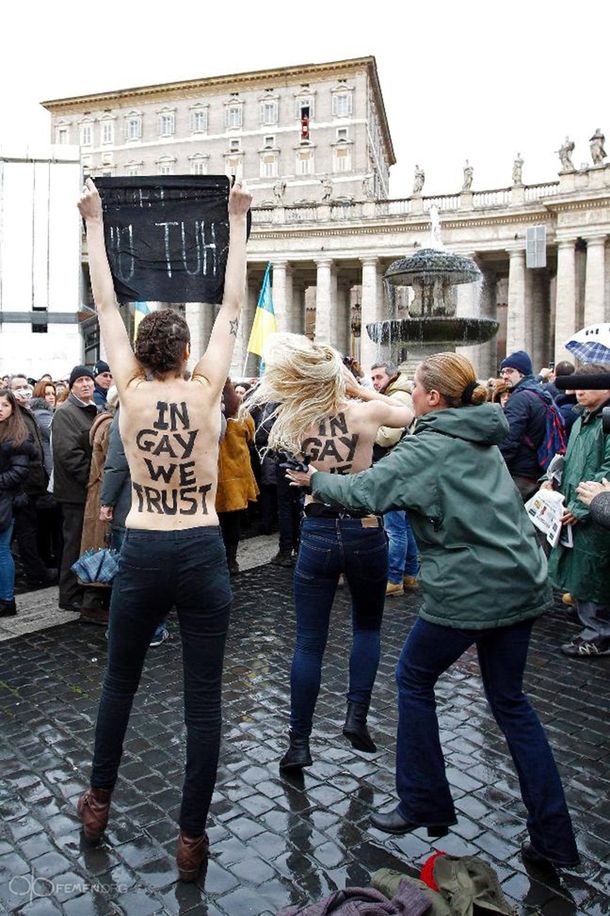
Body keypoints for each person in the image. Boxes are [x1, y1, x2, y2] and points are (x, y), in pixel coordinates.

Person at [286, 352, 579, 871]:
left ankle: (424, 798)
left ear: (433, 397)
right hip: (521, 578)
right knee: (512, 706)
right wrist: (361, 392)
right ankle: (554, 838)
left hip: (471, 588)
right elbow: (399, 430)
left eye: (415, 387)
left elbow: (366, 491)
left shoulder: (428, 448)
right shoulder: (476, 432)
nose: (410, 394)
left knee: (414, 679)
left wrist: (315, 482)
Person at [75, 176, 251, 883]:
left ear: (141, 355)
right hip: (202, 545)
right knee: (203, 701)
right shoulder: (208, 387)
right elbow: (233, 304)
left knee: (119, 683)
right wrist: (238, 221)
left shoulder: (128, 390)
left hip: (144, 543)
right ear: (185, 352)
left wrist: (94, 222)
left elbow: (107, 301)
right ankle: (190, 840)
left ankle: (97, 803)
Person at [243, 333, 414, 772]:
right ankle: (355, 716)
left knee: (309, 642)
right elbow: (408, 411)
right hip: (365, 530)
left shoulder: (296, 420)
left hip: (317, 532)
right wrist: (359, 387)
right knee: (367, 630)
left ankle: (298, 743)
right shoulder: (366, 410)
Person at [545, 364, 610, 658]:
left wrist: (582, 508)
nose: (579, 391)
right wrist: (553, 479)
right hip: (576, 508)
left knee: (594, 573)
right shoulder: (582, 419)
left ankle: (598, 635)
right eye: (577, 386)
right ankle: (591, 620)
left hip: (594, 514)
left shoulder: (606, 422)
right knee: (582, 572)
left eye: (587, 386)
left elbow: (606, 472)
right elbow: (571, 460)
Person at [52, 366, 99, 612]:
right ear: (71, 386)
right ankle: (69, 594)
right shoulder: (66, 413)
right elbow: (68, 455)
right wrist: (91, 481)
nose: (86, 384)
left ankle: (82, 588)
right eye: (80, 381)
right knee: (73, 543)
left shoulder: (93, 410)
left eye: (88, 380)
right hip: (75, 492)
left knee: (85, 543)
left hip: (88, 490)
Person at [370, 361, 418, 596]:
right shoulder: (399, 393)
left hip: (395, 470)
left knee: (394, 528)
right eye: (372, 378)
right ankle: (410, 574)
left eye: (378, 377)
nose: (375, 383)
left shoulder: (398, 396)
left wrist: (366, 430)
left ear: (391, 376)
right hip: (404, 468)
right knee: (405, 525)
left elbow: (388, 436)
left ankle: (394, 578)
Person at [498, 350, 556, 502]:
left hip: (520, 473)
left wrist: (494, 468)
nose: (504, 376)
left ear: (522, 373)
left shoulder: (520, 399)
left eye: (510, 371)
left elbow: (508, 439)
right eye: (502, 372)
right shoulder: (539, 393)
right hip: (535, 470)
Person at [216, 379, 259, 575]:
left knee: (217, 523)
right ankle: (231, 561)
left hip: (215, 477)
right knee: (233, 523)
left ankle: (220, 560)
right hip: (237, 476)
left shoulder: (206, 412)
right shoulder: (242, 415)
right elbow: (251, 436)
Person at [0, 389, 36, 617]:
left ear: (12, 408)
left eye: (3, 405)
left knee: (2, 551)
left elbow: (20, 472)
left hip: (5, 503)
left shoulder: (16, 436)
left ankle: (6, 600)